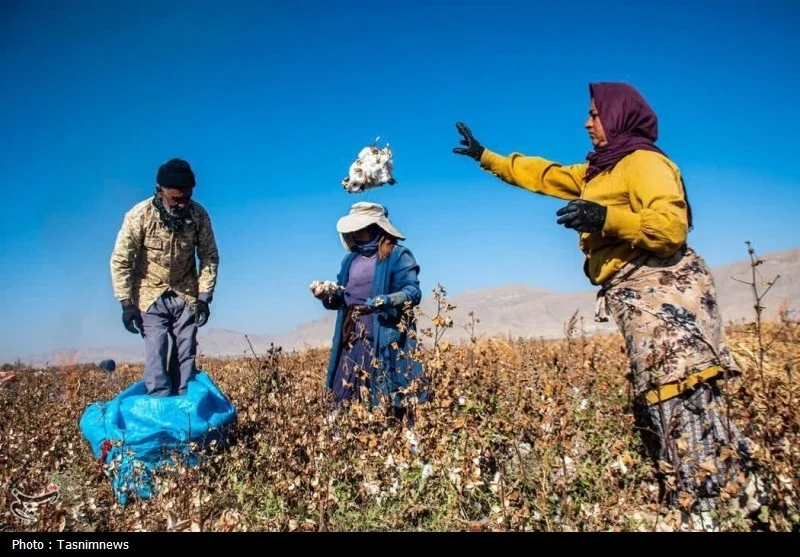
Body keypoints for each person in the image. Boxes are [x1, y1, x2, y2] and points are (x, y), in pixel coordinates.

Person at [452, 82, 762, 527]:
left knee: (681, 387)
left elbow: (671, 228)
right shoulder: (598, 172)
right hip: (631, 292)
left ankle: (713, 500)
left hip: (665, 288)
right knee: (662, 391)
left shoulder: (644, 163)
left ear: (617, 117)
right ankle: (716, 494)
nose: (586, 122)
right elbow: (543, 174)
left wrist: (606, 218)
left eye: (595, 114)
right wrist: (486, 157)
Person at [110, 158, 220, 396]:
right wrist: (126, 304)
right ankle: (159, 408)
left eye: (187, 198)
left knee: (185, 352)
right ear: (160, 192)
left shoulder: (199, 215)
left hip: (186, 293)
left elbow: (209, 257)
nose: (182, 205)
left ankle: (184, 409)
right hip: (150, 294)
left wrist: (204, 298)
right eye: (176, 199)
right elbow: (121, 260)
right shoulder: (139, 216)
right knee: (156, 351)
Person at [312, 202, 427, 426]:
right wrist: (325, 295)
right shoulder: (350, 260)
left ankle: (397, 439)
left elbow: (413, 292)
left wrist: (387, 300)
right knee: (343, 395)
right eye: (354, 229)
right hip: (352, 337)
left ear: (376, 227)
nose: (356, 233)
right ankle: (344, 440)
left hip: (385, 337)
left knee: (393, 391)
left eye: (361, 228)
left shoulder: (397, 255)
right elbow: (341, 297)